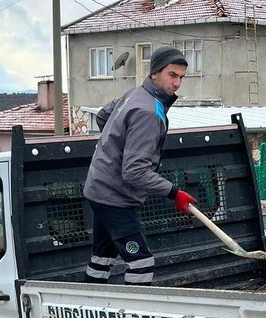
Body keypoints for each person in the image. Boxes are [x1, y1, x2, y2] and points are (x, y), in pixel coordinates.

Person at [83, 46, 197, 286]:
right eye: (172, 75)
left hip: (99, 187)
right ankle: (133, 311)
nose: (177, 83)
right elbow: (135, 172)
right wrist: (174, 192)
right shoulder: (149, 112)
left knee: (102, 257)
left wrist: (114, 147)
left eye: (181, 77)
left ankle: (89, 302)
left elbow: (103, 116)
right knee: (141, 264)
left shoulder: (135, 94)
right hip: (114, 197)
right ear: (154, 72)